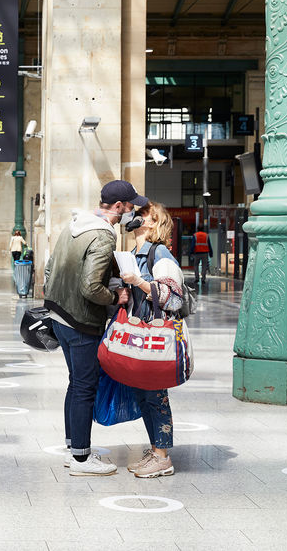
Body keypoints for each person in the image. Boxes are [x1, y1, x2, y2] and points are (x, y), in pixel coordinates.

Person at [44, 179, 146, 476]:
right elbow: (90, 287)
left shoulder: (74, 225)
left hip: (59, 314)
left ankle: (72, 447)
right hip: (80, 321)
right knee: (85, 387)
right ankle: (80, 459)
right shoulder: (103, 235)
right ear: (118, 207)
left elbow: (50, 268)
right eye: (130, 207)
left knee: (75, 383)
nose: (132, 213)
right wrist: (116, 295)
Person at [120, 201, 185, 478]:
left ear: (153, 222)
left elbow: (173, 298)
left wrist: (139, 283)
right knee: (144, 394)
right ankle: (155, 448)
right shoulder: (134, 253)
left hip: (154, 336)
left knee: (156, 395)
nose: (136, 216)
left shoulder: (160, 254)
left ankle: (162, 456)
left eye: (142, 214)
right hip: (139, 335)